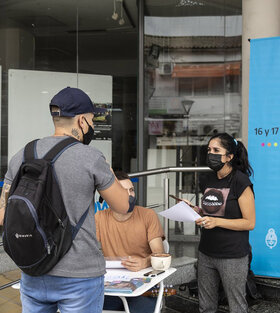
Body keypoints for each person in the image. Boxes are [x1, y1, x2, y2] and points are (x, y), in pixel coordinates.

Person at [0, 87, 132, 313]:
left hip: (34, 268)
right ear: (82, 121)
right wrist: (108, 171)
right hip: (80, 274)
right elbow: (123, 207)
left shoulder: (22, 154)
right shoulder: (91, 157)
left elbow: (3, 215)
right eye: (91, 121)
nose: (92, 127)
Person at [185, 132, 256, 313]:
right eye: (209, 150)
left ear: (230, 156)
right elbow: (214, 210)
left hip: (232, 255)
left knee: (237, 306)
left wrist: (216, 222)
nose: (211, 154)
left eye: (216, 150)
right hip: (206, 252)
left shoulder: (241, 181)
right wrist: (197, 211)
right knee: (206, 306)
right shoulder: (208, 179)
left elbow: (249, 223)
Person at [95, 170, 165, 313]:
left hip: (144, 284)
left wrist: (144, 262)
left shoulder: (148, 215)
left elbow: (159, 253)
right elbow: (86, 251)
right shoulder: (99, 217)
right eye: (123, 191)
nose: (130, 195)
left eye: (131, 190)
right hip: (112, 284)